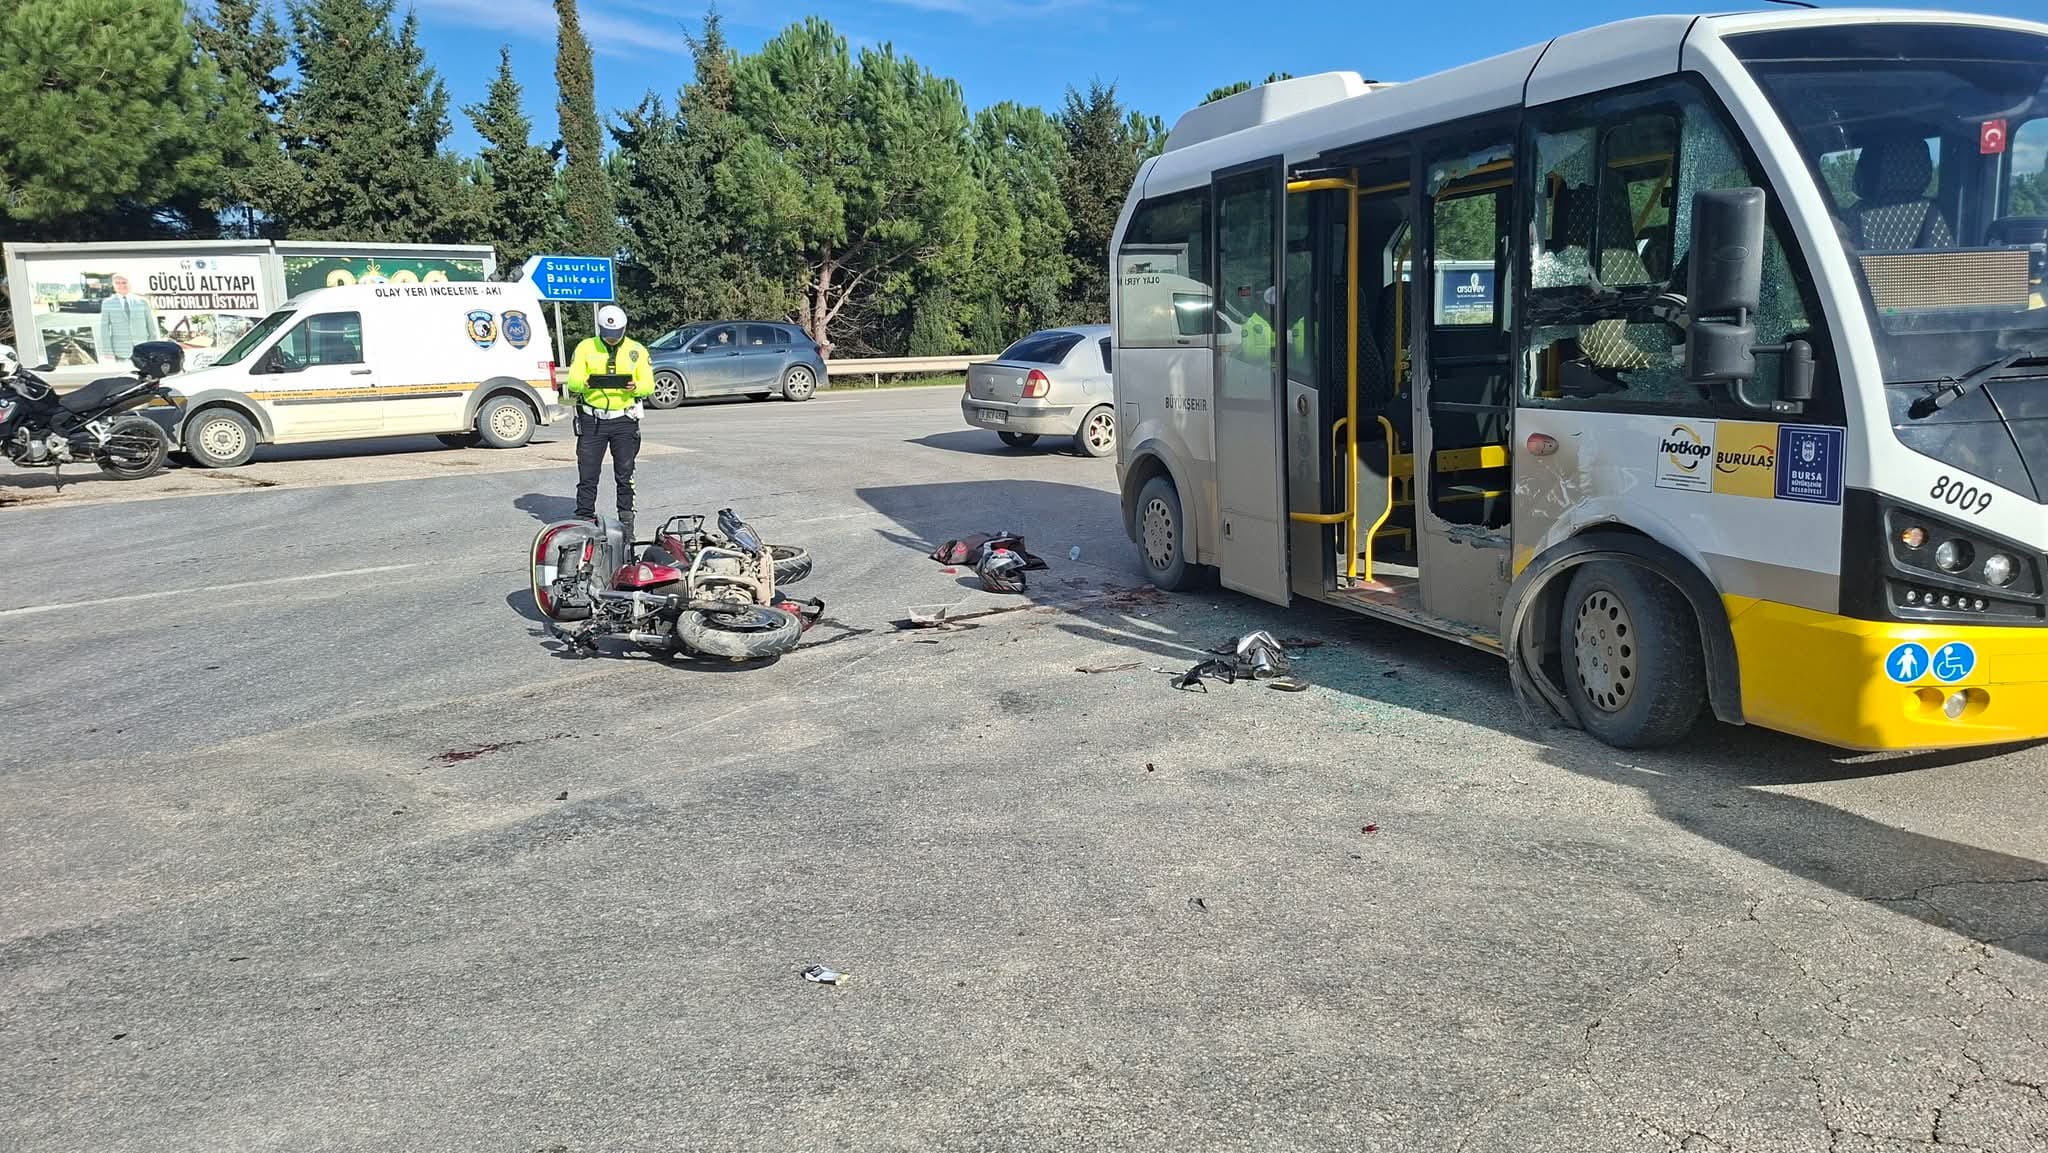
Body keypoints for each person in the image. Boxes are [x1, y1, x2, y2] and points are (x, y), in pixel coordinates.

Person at [565, 305, 655, 543]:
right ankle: (584, 518)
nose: (611, 338)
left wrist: (635, 386)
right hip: (592, 418)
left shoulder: (637, 350)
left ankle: (627, 525)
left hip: (624, 419)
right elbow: (572, 382)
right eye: (607, 333)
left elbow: (649, 384)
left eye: (616, 334)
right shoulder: (586, 347)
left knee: (625, 475)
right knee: (588, 473)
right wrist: (585, 382)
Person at [94, 274, 157, 363]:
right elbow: (104, 329)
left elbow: (151, 327)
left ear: (130, 283)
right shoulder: (107, 303)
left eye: (124, 282)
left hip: (143, 350)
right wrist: (108, 351)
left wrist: (154, 347)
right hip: (121, 352)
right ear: (113, 285)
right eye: (118, 283)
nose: (121, 285)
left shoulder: (142, 302)